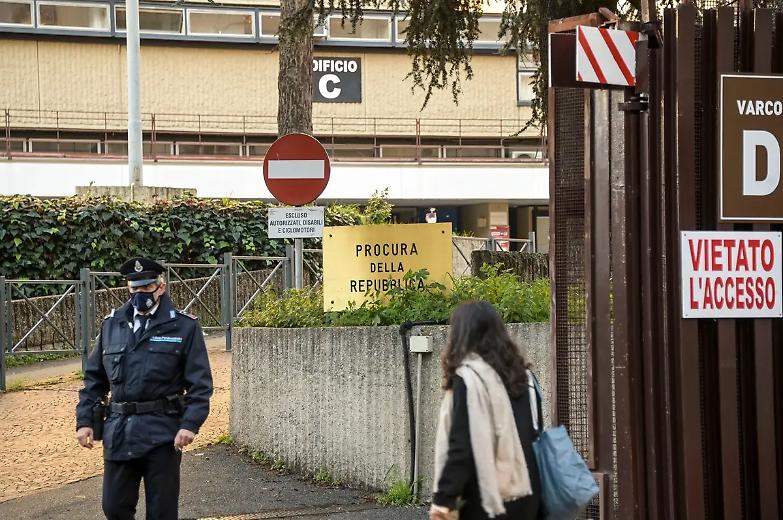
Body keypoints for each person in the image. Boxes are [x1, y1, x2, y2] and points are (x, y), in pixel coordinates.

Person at [75, 257, 213, 520]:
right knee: (113, 507)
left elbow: (200, 383)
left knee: (161, 512)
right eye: (134, 288)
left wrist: (190, 424)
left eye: (146, 288)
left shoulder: (184, 326)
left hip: (162, 432)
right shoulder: (112, 324)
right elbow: (94, 379)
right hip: (120, 431)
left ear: (161, 287)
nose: (140, 294)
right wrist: (85, 422)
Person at [431, 301, 541, 520]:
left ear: (460, 335)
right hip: (528, 494)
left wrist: (444, 500)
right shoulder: (525, 378)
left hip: (486, 499)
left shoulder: (469, 378)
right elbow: (534, 435)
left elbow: (461, 446)